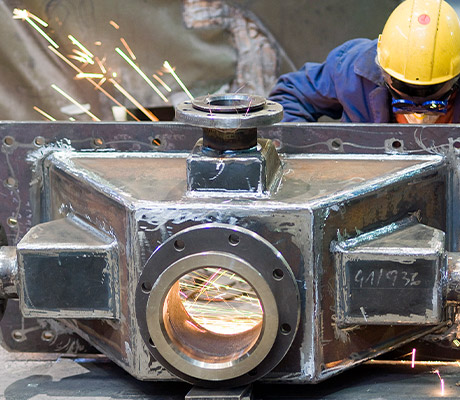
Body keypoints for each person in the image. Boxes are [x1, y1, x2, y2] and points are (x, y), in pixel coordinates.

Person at [269, 0, 460, 124]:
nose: (418, 117)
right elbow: (291, 95)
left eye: (433, 104)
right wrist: (307, 157)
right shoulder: (351, 68)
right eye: (404, 103)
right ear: (382, 72)